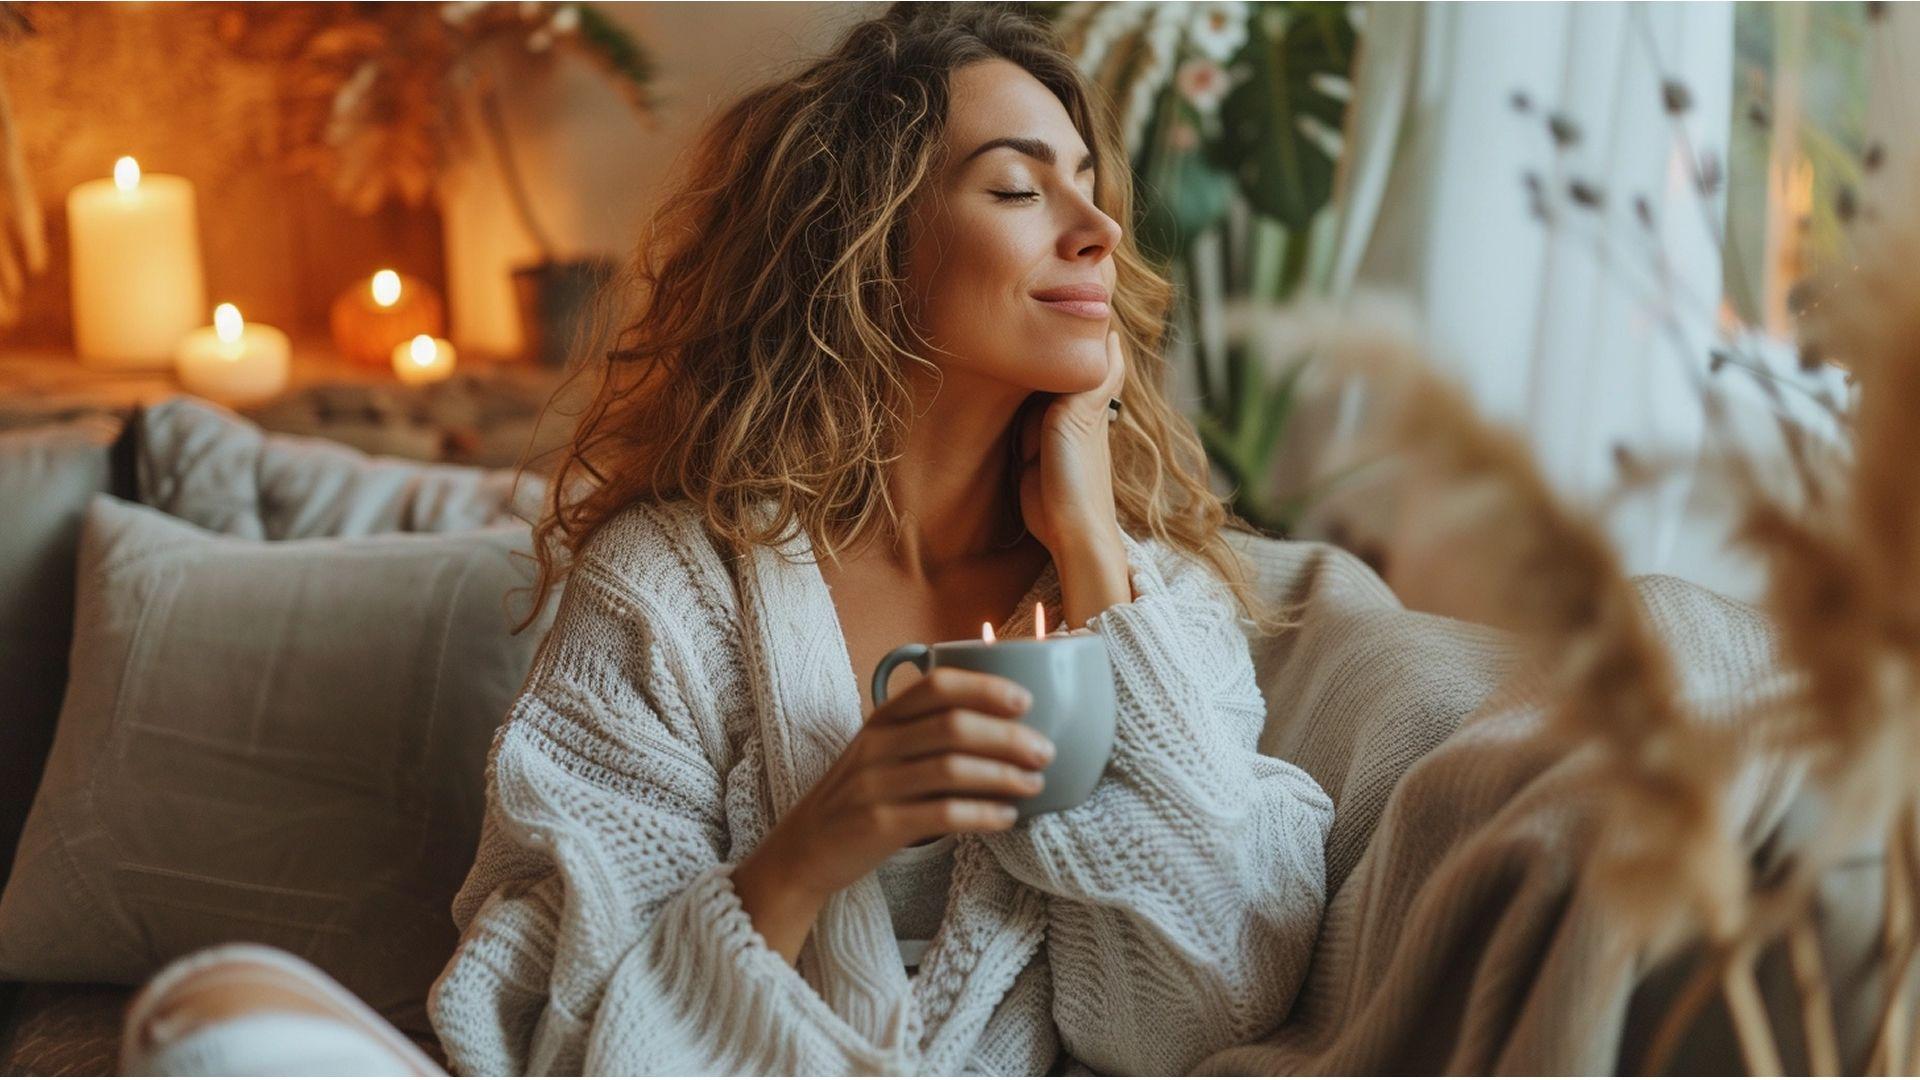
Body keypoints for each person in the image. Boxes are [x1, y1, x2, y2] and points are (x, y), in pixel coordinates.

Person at [118, 3, 1334, 1074]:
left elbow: (1202, 1017)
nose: (1095, 231)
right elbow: (566, 1038)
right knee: (212, 1016)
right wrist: (819, 841)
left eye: (1089, 187)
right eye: (1020, 189)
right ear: (869, 252)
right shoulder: (672, 592)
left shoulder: (1146, 597)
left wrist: (1088, 539)